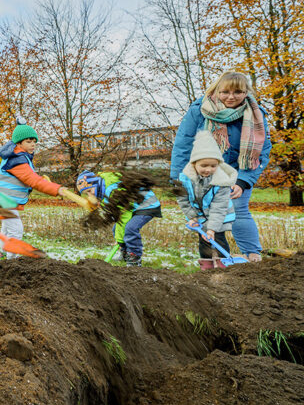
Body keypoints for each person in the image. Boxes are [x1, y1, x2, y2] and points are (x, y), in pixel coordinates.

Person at [170, 71, 271, 262]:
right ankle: (215, 259)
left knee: (239, 208)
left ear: (246, 92)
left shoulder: (256, 113)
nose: (231, 97)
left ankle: (252, 255)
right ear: (217, 90)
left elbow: (262, 149)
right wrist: (177, 178)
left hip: (238, 169)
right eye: (225, 92)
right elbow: (183, 144)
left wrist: (243, 181)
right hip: (204, 169)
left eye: (237, 92)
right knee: (205, 214)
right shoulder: (199, 109)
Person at [0, 122, 70, 259]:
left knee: (6, 228)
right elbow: (33, 180)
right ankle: (11, 261)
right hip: (6, 200)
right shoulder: (17, 160)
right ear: (19, 143)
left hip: (4, 199)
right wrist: (57, 189)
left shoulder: (17, 156)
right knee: (16, 230)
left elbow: (31, 177)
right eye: (28, 141)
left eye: (34, 141)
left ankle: (3, 254)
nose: (33, 144)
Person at [177, 131, 238, 270]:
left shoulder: (222, 181)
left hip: (219, 216)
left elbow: (219, 207)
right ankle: (207, 267)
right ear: (194, 164)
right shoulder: (186, 179)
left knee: (218, 238)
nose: (208, 169)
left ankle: (224, 266)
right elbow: (183, 200)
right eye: (204, 165)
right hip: (200, 216)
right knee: (203, 240)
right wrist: (192, 217)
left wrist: (212, 228)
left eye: (213, 165)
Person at [76, 170, 162, 267]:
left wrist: (120, 240)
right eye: (86, 194)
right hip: (134, 207)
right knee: (116, 229)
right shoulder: (106, 186)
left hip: (147, 205)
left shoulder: (113, 189)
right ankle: (125, 254)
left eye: (89, 191)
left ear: (97, 183)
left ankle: (134, 258)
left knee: (130, 228)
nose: (90, 196)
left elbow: (124, 217)